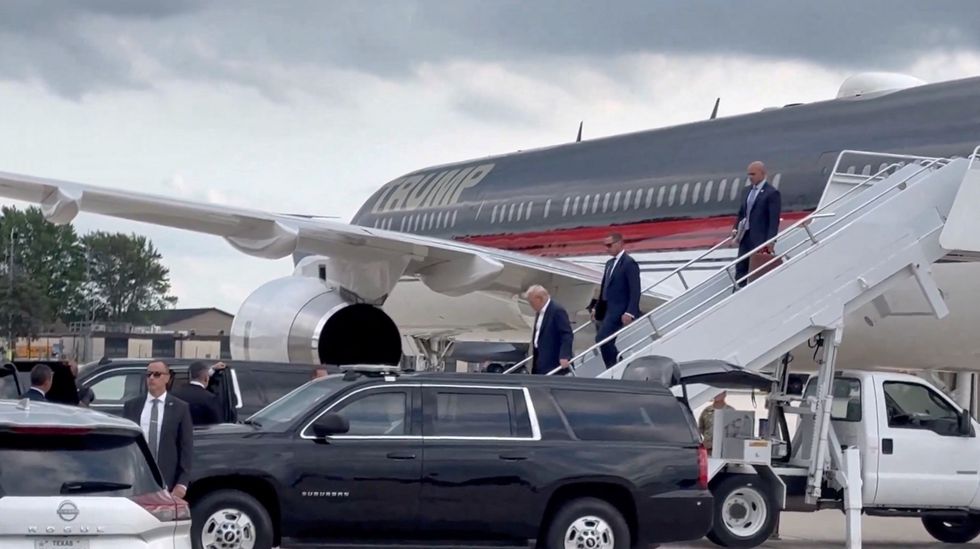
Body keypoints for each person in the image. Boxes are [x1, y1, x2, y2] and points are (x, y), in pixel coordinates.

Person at [123, 361, 193, 499]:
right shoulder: (132, 406)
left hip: (168, 481)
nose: (151, 378)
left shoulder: (180, 408)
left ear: (167, 378)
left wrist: (182, 483)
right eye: (148, 375)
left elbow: (186, 448)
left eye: (157, 374)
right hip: (137, 479)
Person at [592, 233, 641, 368]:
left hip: (619, 310)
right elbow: (604, 288)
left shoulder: (629, 263)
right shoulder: (609, 264)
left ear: (619, 243)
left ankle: (615, 366)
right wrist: (596, 308)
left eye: (609, 245)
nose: (607, 248)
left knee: (601, 338)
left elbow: (635, 290)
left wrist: (630, 312)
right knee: (606, 341)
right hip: (607, 309)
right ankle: (617, 365)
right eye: (605, 245)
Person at [732, 161, 782, 286]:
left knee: (757, 269)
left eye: (753, 174)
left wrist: (771, 241)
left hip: (760, 238)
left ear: (762, 174)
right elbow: (741, 212)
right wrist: (735, 229)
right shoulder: (746, 191)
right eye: (748, 174)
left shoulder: (771, 193)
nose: (750, 177)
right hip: (745, 236)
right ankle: (739, 291)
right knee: (741, 266)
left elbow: (773, 220)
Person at [525, 285, 573, 375]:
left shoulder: (557, 310)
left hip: (553, 361)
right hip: (540, 359)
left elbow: (566, 334)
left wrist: (564, 356)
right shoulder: (540, 312)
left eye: (531, 302)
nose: (530, 305)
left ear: (539, 299)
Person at [171, 361, 225, 426]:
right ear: (206, 378)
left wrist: (212, 369)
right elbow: (218, 425)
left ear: (190, 377)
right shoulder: (210, 398)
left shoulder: (174, 395)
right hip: (203, 435)